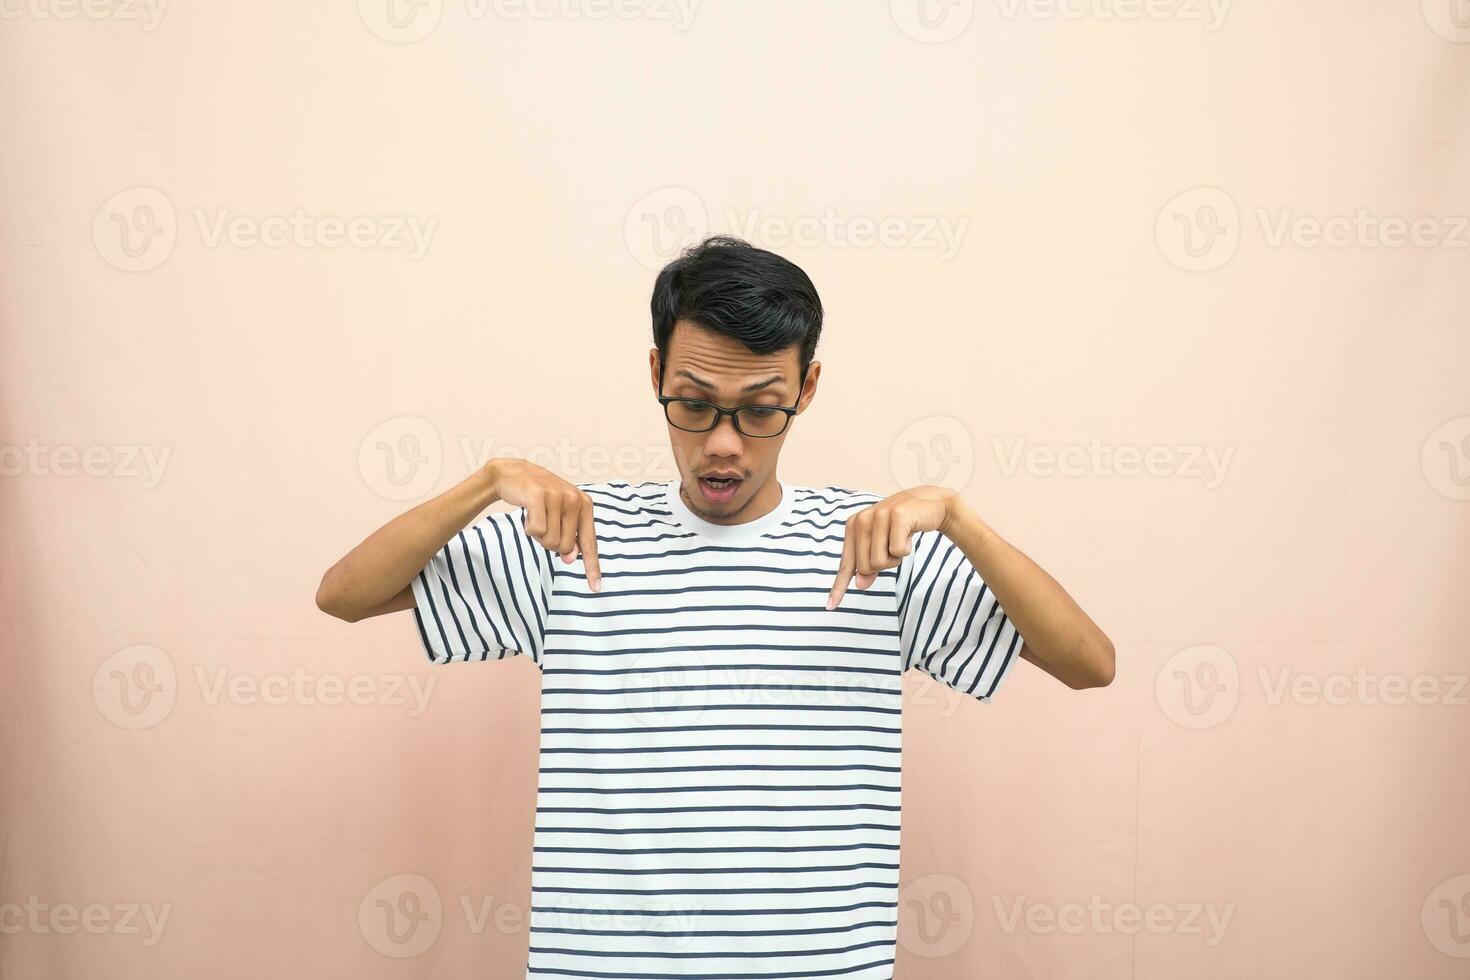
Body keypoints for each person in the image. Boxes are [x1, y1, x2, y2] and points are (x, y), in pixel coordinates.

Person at [316, 234, 1114, 978]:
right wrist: (487, 481)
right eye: (694, 403)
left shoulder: (874, 548)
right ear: (656, 373)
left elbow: (1089, 664)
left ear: (807, 388)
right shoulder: (572, 539)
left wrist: (958, 517)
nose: (723, 443)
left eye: (761, 409)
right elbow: (345, 594)